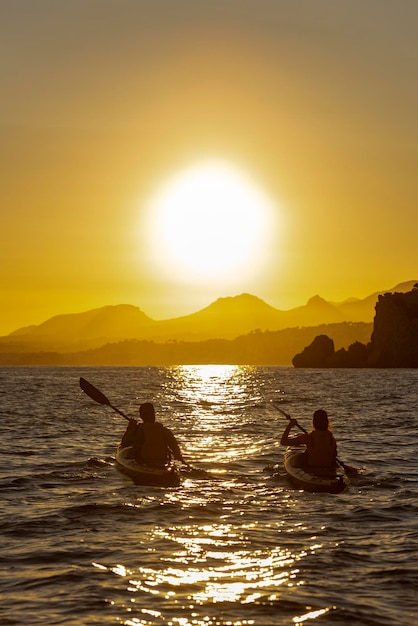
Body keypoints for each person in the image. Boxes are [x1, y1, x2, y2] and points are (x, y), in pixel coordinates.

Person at [121, 402, 188, 468]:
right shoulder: (164, 431)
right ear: (154, 415)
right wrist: (178, 456)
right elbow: (175, 448)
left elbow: (124, 444)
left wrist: (130, 428)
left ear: (141, 416)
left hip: (143, 462)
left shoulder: (138, 431)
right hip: (162, 463)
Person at [280, 409, 337, 474]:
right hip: (327, 468)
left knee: (300, 457)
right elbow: (333, 457)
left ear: (314, 423)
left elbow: (283, 442)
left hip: (311, 466)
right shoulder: (332, 439)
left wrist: (289, 426)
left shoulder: (308, 437)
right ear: (327, 423)